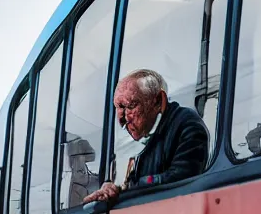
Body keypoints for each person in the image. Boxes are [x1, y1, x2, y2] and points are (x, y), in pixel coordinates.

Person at [83, 69, 209, 203]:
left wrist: (131, 187)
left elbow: (181, 180)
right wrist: (112, 190)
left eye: (131, 105)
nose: (122, 119)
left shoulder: (187, 126)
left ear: (159, 101)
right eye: (119, 107)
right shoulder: (151, 137)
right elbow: (136, 182)